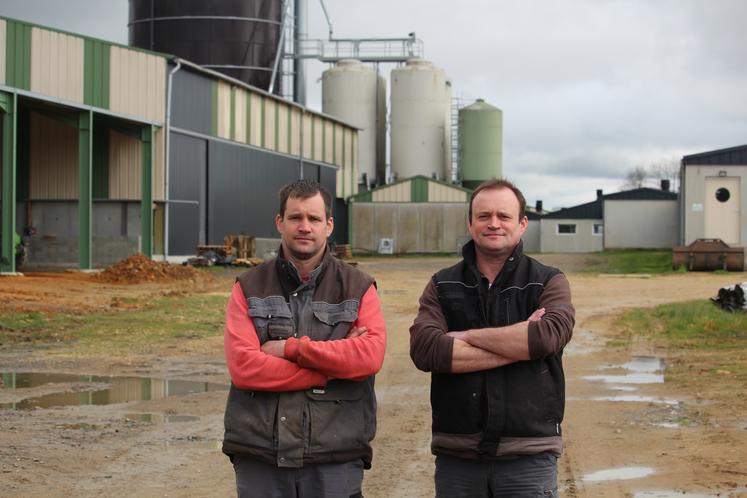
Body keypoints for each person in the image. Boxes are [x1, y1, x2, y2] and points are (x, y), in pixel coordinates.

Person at [409, 178, 575, 498]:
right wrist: (520, 343)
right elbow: (426, 350)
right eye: (484, 216)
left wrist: (466, 336)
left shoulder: (548, 281)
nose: (494, 223)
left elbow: (547, 337)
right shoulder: (442, 284)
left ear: (522, 224)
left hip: (529, 455)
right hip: (457, 457)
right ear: (470, 224)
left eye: (504, 216)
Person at [222, 179, 387, 498]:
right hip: (260, 457)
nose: (304, 226)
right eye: (295, 217)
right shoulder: (248, 287)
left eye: (313, 219)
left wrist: (290, 349)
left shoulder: (358, 287)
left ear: (329, 225)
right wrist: (333, 369)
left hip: (334, 457)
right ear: (280, 223)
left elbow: (368, 358)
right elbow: (244, 368)